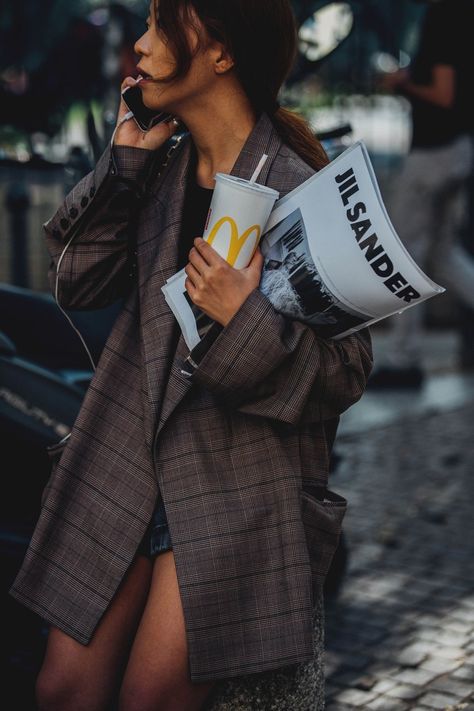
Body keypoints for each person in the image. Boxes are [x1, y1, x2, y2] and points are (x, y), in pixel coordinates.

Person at [9, 1, 373, 709]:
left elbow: (348, 370)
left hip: (233, 478)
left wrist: (247, 318)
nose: (139, 46)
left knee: (151, 699)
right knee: (61, 688)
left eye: (161, 27)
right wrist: (122, 170)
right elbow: (76, 282)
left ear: (220, 53)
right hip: (126, 458)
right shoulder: (155, 169)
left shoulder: (302, 188)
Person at [370, 0, 474, 389]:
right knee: (444, 255)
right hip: (458, 148)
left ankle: (402, 360)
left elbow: (444, 94)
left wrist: (402, 83)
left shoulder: (445, 15)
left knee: (403, 257)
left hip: (433, 151)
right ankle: (403, 356)